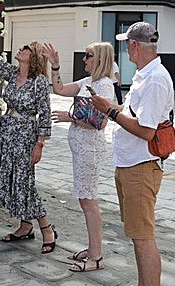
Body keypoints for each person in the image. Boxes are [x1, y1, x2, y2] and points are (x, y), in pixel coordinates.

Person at [91, 21, 173, 286]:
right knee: (138, 235)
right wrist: (110, 106)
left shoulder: (155, 79)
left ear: (135, 45)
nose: (126, 50)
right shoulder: (144, 75)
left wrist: (109, 110)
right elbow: (133, 113)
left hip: (141, 165)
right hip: (131, 163)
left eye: (127, 44)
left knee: (143, 237)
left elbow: (147, 131)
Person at [0, 16, 57, 254]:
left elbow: (45, 116)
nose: (20, 49)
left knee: (25, 181)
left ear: (33, 56)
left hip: (27, 135)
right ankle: (25, 226)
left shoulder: (38, 82)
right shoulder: (12, 72)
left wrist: (40, 144)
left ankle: (46, 227)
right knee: (13, 179)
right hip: (7, 132)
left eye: (25, 48)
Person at [42, 42, 115, 272]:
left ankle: (96, 257)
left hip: (90, 150)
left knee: (88, 201)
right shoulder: (87, 83)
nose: (84, 59)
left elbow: (99, 122)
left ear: (101, 58)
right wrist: (55, 66)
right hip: (81, 149)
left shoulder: (104, 86)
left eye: (88, 55)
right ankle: (93, 250)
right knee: (85, 200)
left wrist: (69, 117)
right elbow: (60, 89)